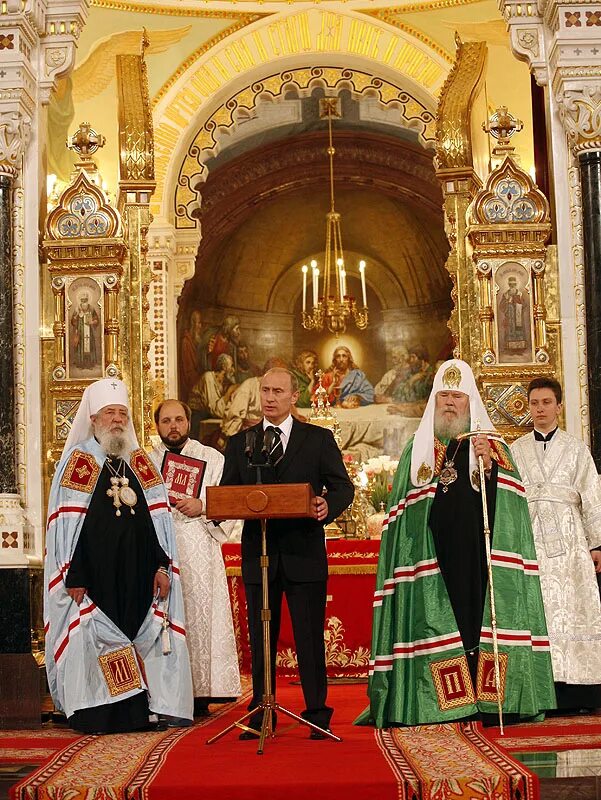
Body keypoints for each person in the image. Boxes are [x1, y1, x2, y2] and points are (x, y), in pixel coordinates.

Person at [359, 359, 555, 727]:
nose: (450, 403)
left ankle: (488, 699)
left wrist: (491, 468)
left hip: (479, 560)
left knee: (476, 622)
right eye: (444, 396)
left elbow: (513, 511)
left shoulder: (492, 448)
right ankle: (433, 701)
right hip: (430, 561)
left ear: (470, 402)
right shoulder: (415, 452)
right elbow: (401, 519)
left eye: (458, 397)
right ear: (434, 401)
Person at [44, 378, 193, 734]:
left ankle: (135, 711)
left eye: (122, 413)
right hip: (93, 575)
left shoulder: (140, 463)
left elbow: (157, 522)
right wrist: (74, 575)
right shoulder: (78, 462)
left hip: (139, 570)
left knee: (133, 630)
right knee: (99, 636)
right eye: (109, 413)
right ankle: (96, 712)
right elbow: (68, 527)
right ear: (93, 417)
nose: (116, 420)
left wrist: (161, 566)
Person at [221, 367, 354, 738]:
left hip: (303, 554)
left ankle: (316, 712)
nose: (270, 397)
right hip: (258, 555)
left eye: (278, 391)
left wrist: (328, 506)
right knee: (262, 637)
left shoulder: (317, 439)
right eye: (265, 390)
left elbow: (342, 487)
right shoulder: (240, 442)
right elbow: (228, 494)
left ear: (294, 396)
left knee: (309, 637)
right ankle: (263, 711)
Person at [511, 377, 601, 712]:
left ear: (559, 406)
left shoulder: (577, 449)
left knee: (573, 610)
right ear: (528, 407)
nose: (540, 409)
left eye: (547, 403)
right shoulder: (515, 450)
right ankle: (538, 691)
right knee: (538, 613)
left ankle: (580, 693)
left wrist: (597, 544)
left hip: (571, 541)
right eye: (534, 403)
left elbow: (592, 497)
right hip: (529, 541)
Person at [151, 399, 241, 716]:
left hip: (201, 546)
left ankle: (202, 691)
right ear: (157, 425)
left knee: (201, 616)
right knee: (163, 618)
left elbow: (229, 504)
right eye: (166, 421)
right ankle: (165, 690)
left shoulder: (211, 458)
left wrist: (202, 506)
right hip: (161, 547)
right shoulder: (146, 461)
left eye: (179, 419)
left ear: (188, 421)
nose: (173, 426)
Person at [188, 353, 238, 437]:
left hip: (209, 414)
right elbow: (215, 410)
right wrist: (229, 392)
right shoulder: (208, 378)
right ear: (224, 367)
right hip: (197, 415)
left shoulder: (225, 383)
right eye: (231, 366)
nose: (233, 370)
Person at [179, 310, 204, 404]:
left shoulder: (195, 342)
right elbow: (188, 371)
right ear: (193, 324)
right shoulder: (186, 342)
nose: (200, 326)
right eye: (199, 323)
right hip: (190, 385)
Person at [71, 292, 100, 370]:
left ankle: (90, 364)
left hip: (89, 331)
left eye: (85, 300)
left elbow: (96, 319)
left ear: (87, 300)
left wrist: (92, 322)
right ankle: (81, 364)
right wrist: (75, 317)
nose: (84, 302)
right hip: (80, 331)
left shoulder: (91, 309)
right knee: (81, 346)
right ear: (80, 301)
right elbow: (73, 321)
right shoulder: (77, 309)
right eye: (82, 300)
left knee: (89, 345)